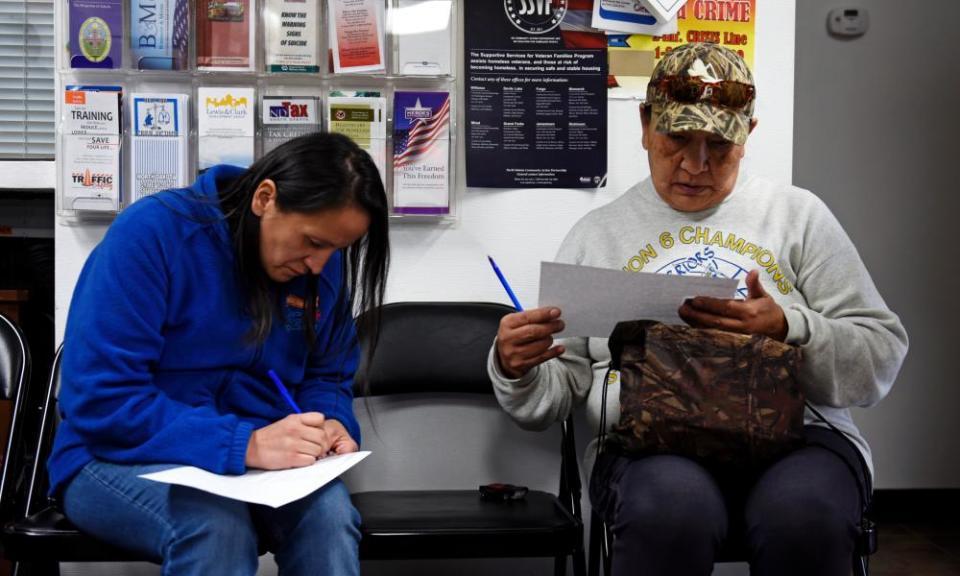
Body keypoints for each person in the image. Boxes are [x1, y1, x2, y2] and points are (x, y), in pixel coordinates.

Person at [489, 43, 908, 576]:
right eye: (677, 139)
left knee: (804, 516)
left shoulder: (798, 217)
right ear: (644, 125)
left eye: (719, 144)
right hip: (649, 446)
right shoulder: (599, 235)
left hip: (800, 440)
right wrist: (515, 367)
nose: (695, 164)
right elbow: (553, 395)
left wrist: (788, 327)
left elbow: (880, 358)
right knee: (669, 512)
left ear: (748, 135)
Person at [49, 132, 389, 576]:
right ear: (265, 199)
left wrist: (329, 422)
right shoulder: (152, 235)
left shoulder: (318, 266)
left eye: (336, 250)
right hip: (112, 456)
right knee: (213, 525)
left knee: (329, 517)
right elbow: (101, 399)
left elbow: (326, 374)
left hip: (256, 465)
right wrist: (242, 443)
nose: (320, 266)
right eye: (312, 242)